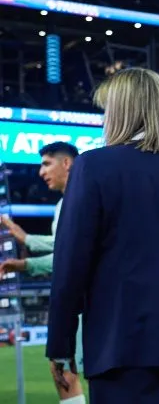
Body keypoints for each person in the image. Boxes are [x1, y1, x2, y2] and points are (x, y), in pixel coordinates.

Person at [45, 68, 159, 404]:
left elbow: (70, 268)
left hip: (124, 349)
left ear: (119, 111)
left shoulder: (93, 166)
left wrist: (60, 347)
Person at [0, 142, 86, 404]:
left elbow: (68, 254)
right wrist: (25, 242)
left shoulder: (83, 198)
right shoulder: (65, 204)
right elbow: (62, 244)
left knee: (67, 369)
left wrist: (27, 256)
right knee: (63, 368)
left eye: (46, 164)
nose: (41, 172)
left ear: (67, 163)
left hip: (87, 300)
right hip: (79, 300)